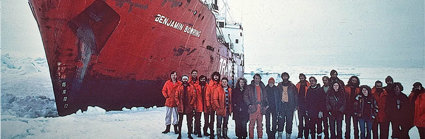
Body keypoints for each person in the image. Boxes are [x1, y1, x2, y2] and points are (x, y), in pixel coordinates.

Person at [244, 74, 268, 139]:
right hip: (253, 108)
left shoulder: (263, 87)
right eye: (256, 78)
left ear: (260, 79)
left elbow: (265, 97)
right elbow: (245, 96)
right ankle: (251, 137)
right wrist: (249, 104)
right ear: (254, 79)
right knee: (251, 124)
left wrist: (266, 104)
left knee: (260, 124)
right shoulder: (249, 87)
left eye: (258, 78)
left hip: (260, 107)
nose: (257, 79)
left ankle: (260, 137)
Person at [276, 72, 298, 139]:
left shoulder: (292, 86)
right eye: (283, 76)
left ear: (288, 77)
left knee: (289, 121)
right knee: (280, 121)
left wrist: (296, 105)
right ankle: (280, 135)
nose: (285, 77)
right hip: (281, 106)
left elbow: (296, 96)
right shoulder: (279, 85)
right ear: (282, 77)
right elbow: (276, 95)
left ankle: (288, 135)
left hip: (290, 106)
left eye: (286, 76)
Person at [206, 72, 221, 139]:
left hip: (219, 105)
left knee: (219, 120)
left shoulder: (220, 84)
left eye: (217, 76)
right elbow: (207, 95)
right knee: (212, 120)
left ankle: (218, 133)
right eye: (215, 76)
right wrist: (208, 104)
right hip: (212, 105)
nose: (216, 77)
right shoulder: (210, 85)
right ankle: (212, 133)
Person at [296, 73, 310, 138]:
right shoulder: (297, 85)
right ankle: (300, 134)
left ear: (305, 78)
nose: (301, 79)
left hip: (307, 105)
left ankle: (306, 135)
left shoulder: (308, 84)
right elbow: (295, 95)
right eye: (300, 78)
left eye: (302, 78)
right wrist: (296, 104)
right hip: (300, 105)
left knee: (307, 121)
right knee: (300, 121)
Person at [189, 70, 203, 137]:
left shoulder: (199, 82)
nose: (194, 74)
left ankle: (197, 130)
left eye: (195, 73)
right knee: (190, 118)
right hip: (190, 103)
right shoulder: (188, 82)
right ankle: (191, 130)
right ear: (191, 74)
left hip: (198, 103)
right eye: (193, 73)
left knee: (198, 119)